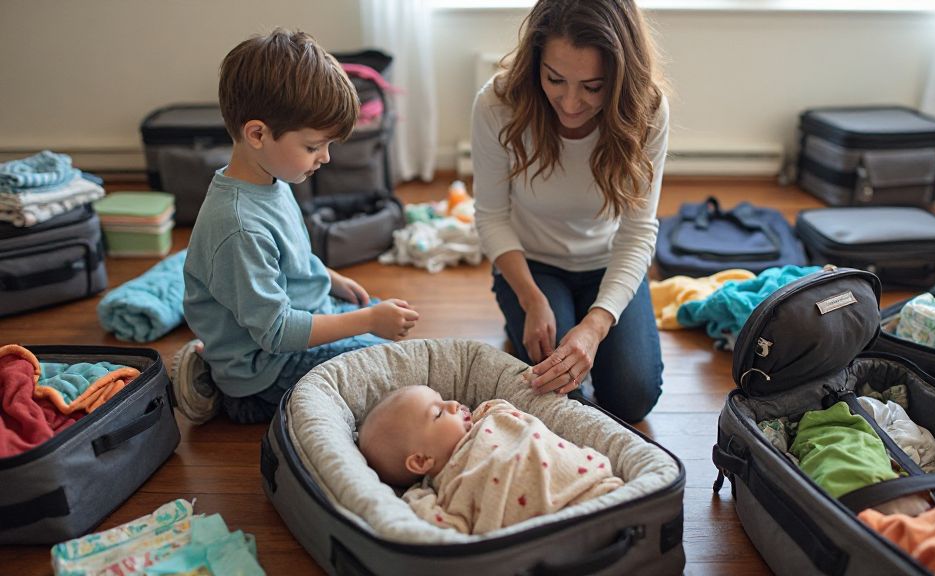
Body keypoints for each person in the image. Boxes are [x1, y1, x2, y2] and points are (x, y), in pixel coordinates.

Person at [173, 29, 419, 425]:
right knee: (395, 371)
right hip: (267, 370)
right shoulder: (238, 227)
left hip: (296, 322)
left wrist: (330, 277)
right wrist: (369, 322)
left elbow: (289, 258)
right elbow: (278, 333)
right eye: (312, 146)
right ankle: (228, 390)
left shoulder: (270, 178)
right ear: (257, 134)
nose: (324, 157)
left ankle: (214, 366)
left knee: (387, 330)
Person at [471, 0, 669, 424]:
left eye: (593, 87)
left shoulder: (647, 111)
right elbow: (490, 215)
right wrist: (529, 297)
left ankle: (578, 314)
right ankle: (527, 312)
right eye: (554, 79)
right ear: (535, 61)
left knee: (632, 397)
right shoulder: (497, 103)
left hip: (607, 264)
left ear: (619, 78)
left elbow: (637, 233)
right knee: (563, 393)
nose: (571, 102)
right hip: (533, 267)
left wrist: (597, 325)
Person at [357, 385, 624, 534]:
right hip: (547, 529)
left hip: (586, 482)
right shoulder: (443, 491)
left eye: (443, 399)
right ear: (421, 461)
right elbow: (448, 531)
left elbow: (505, 410)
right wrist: (418, 501)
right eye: (438, 413)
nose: (453, 404)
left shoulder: (488, 419)